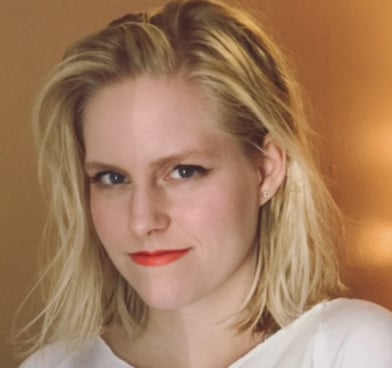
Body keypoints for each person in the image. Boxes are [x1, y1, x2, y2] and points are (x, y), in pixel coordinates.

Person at [18, 0, 392, 367]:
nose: (142, 220)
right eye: (113, 178)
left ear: (266, 170)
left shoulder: (355, 350)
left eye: (183, 171)